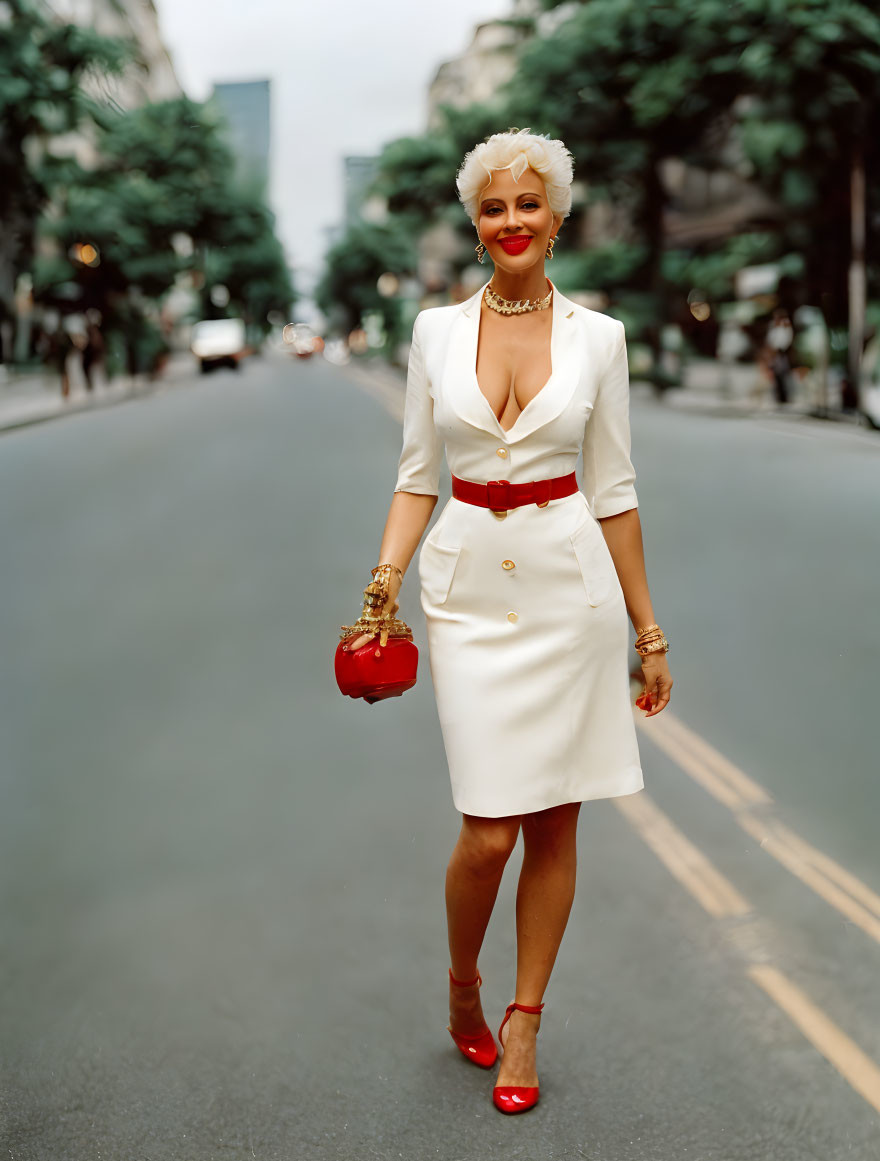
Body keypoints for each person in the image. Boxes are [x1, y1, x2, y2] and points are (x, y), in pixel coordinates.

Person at [339, 128, 673, 1115]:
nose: (512, 221)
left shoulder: (600, 340)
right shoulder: (435, 333)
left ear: (557, 216)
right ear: (475, 222)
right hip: (468, 593)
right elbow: (414, 479)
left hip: (573, 595)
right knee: (488, 831)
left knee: (553, 820)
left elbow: (615, 492)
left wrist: (648, 634)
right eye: (494, 207)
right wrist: (380, 589)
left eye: (530, 204)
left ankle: (524, 1016)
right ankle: (464, 980)